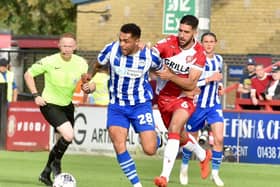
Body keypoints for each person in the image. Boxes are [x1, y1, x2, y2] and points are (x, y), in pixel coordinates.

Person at [94, 23, 162, 187]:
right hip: (117, 106)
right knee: (119, 144)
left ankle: (156, 136)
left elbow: (161, 71)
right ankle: (136, 184)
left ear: (137, 41)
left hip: (140, 105)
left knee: (150, 149)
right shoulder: (111, 49)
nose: (122, 44)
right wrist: (89, 79)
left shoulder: (149, 56)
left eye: (126, 41)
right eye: (121, 40)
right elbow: (98, 63)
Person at [24, 33, 95, 186]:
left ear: (75, 47)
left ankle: (45, 173)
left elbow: (86, 84)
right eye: (64, 45)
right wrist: (36, 95)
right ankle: (56, 164)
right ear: (59, 45)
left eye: (70, 46)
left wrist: (89, 87)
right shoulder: (50, 61)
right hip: (49, 104)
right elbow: (28, 74)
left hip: (67, 105)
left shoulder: (81, 63)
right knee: (69, 135)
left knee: (62, 141)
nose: (67, 48)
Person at [153, 15, 212, 187]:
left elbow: (191, 83)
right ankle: (202, 155)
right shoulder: (167, 43)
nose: (182, 35)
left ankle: (164, 177)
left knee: (175, 128)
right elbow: (152, 56)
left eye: (186, 32)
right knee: (179, 136)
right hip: (163, 98)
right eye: (180, 30)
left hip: (185, 96)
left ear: (194, 32)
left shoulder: (199, 53)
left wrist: (171, 75)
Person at [180, 32, 225, 187]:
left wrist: (219, 86)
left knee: (219, 138)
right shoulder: (197, 60)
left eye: (212, 41)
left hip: (214, 105)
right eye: (206, 41)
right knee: (190, 139)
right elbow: (190, 83)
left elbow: (218, 78)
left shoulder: (219, 59)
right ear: (202, 43)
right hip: (198, 105)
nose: (209, 44)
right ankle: (184, 168)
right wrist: (209, 79)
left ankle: (215, 174)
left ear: (215, 43)